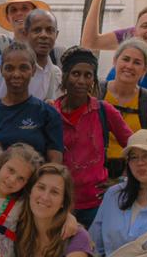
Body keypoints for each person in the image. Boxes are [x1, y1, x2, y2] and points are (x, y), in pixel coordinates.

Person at [54, 47, 131, 226]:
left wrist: (121, 182)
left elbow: (134, 147)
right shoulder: (51, 113)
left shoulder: (104, 111)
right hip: (58, 204)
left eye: (88, 75)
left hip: (96, 205)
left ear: (94, 80)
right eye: (75, 74)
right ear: (65, 77)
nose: (81, 81)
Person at [99, 38, 147, 180]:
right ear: (115, 61)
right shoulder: (95, 92)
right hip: (94, 177)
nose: (129, 66)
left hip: (133, 179)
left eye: (137, 63)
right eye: (125, 59)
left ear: (144, 70)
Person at [0, 41, 64, 164]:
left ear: (33, 70)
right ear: (1, 70)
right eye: (9, 68)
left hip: (36, 176)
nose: (16, 74)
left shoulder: (48, 114)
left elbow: (55, 165)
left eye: (23, 68)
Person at [0, 8, 61, 101]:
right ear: (26, 33)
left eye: (49, 30)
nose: (44, 35)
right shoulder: (10, 70)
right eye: (37, 30)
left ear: (56, 34)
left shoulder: (56, 73)